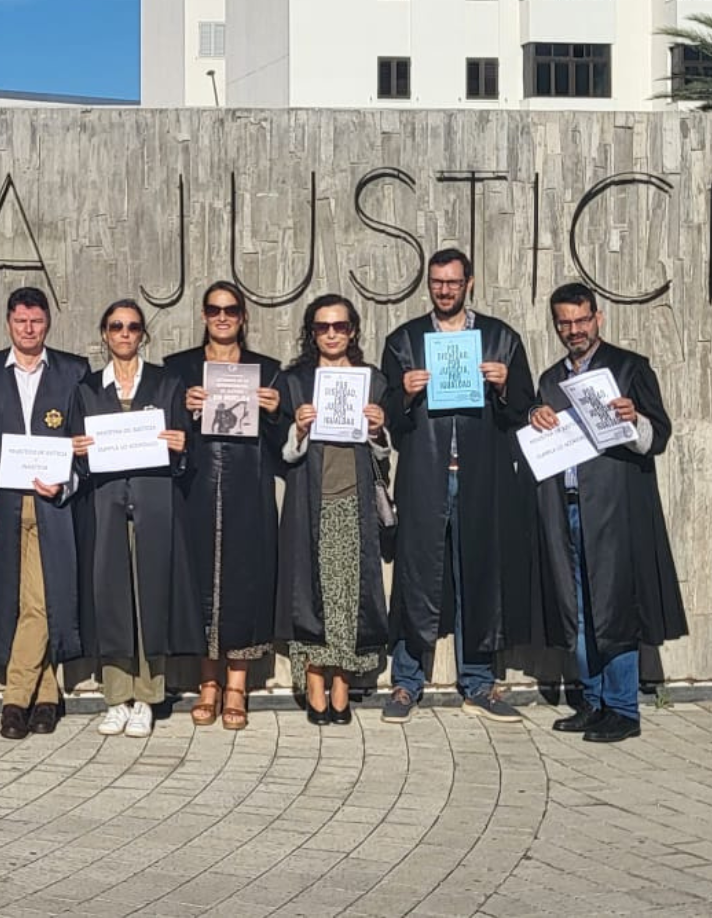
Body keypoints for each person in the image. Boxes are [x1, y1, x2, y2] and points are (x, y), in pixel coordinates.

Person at [379, 248, 535, 724]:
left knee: (479, 576)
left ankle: (479, 684)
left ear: (470, 282)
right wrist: (403, 393)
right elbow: (388, 417)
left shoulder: (500, 338)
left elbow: (524, 409)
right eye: (436, 283)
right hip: (425, 477)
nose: (444, 290)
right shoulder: (405, 340)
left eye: (452, 282)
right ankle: (406, 684)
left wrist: (507, 385)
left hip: (480, 477)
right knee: (414, 577)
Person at [526, 283, 687, 743]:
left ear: (598, 318)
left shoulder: (630, 367)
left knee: (615, 604)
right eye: (564, 322)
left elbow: (658, 437)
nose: (573, 330)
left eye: (581, 320)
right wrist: (537, 414)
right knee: (576, 606)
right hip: (566, 506)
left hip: (615, 509)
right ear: (556, 324)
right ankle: (592, 701)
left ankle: (622, 708)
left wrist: (632, 418)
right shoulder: (549, 378)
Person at [0, 287, 90, 740]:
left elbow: (83, 444)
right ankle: (47, 696)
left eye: (36, 321)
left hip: (52, 503)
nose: (28, 329)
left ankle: (14, 700)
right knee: (14, 602)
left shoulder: (74, 372)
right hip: (2, 501)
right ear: (8, 323)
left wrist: (67, 482)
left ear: (47, 324)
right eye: (20, 321)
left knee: (40, 601)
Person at [164, 281, 284, 731]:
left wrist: (275, 412)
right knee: (198, 583)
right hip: (195, 490)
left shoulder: (268, 371)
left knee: (244, 585)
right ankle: (207, 683)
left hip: (248, 491)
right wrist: (182, 410)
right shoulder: (178, 370)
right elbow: (165, 435)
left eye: (231, 310)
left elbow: (285, 449)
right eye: (214, 310)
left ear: (243, 316)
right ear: (202, 315)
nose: (222, 317)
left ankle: (237, 685)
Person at [77, 299, 199, 739]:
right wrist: (80, 454)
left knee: (151, 595)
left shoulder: (167, 384)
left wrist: (182, 444)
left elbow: (187, 452)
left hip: (154, 500)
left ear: (142, 334)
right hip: (106, 502)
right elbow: (80, 460)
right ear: (105, 334)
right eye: (116, 326)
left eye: (132, 327)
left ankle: (147, 697)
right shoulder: (88, 389)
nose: (124, 334)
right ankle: (116, 697)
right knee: (111, 598)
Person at [276, 295, 392, 725]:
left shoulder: (373, 381)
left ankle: (341, 683)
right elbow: (283, 456)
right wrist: (298, 429)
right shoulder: (294, 383)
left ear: (353, 331)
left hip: (353, 499)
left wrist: (378, 430)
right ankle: (313, 682)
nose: (331, 334)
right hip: (311, 500)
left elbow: (384, 453)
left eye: (339, 326)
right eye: (323, 327)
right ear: (312, 332)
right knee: (312, 593)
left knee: (347, 597)